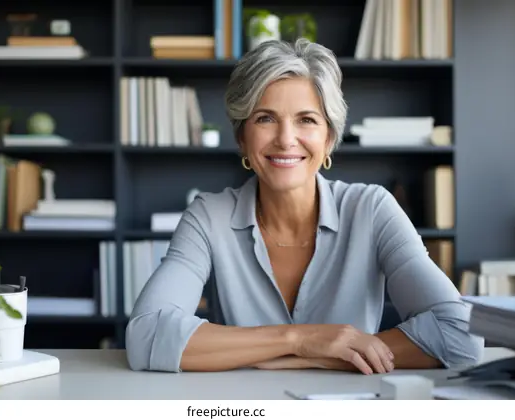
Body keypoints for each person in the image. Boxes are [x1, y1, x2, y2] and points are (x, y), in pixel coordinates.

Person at [125, 38, 484, 374]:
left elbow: (461, 336)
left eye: (306, 120)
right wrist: (302, 341)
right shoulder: (208, 215)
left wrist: (327, 356)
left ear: (329, 138)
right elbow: (146, 335)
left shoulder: (372, 209)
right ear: (241, 137)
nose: (285, 139)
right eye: (265, 118)